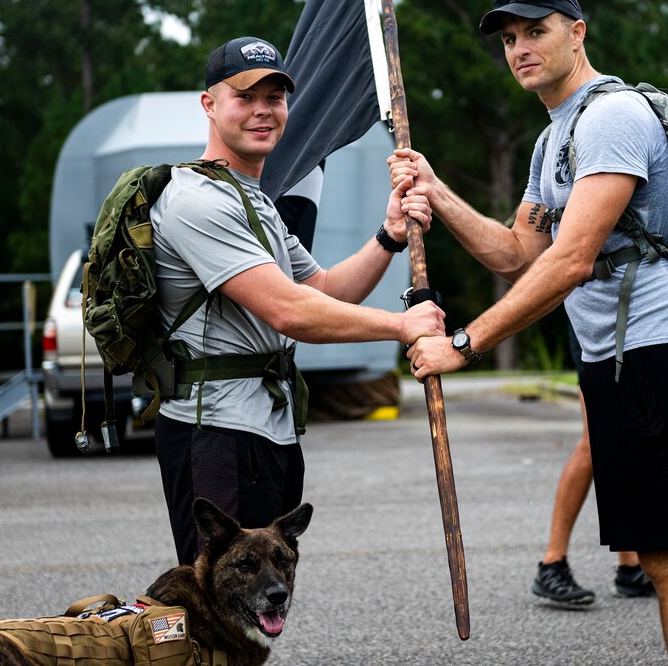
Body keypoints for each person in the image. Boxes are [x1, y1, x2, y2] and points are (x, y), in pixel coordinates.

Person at [391, 0, 668, 663]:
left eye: (534, 31)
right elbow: (519, 253)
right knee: (661, 557)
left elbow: (572, 260)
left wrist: (465, 342)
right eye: (509, 39)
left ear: (578, 31)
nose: (519, 48)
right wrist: (437, 192)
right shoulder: (554, 141)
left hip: (659, 351)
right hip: (612, 358)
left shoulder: (611, 117)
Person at [151, 36, 446, 565]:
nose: (263, 111)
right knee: (221, 612)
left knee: (258, 605)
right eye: (245, 96)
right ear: (209, 104)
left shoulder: (251, 201)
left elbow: (325, 291)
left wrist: (389, 235)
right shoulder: (196, 201)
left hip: (266, 430)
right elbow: (289, 312)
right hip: (218, 432)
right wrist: (404, 326)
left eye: (275, 97)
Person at [533, 323, 654, 606]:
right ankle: (552, 562)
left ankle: (630, 567)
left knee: (620, 443)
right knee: (594, 442)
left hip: (626, 317)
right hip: (594, 320)